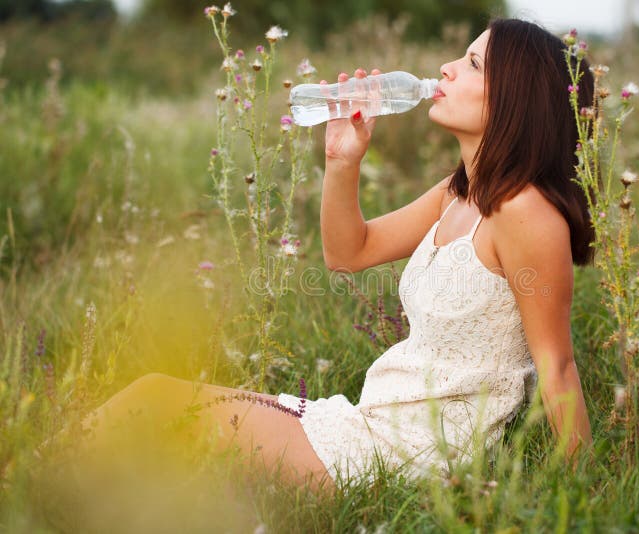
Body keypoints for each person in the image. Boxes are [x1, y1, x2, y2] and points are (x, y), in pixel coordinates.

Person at [71, 17, 595, 496]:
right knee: (158, 397)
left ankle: (23, 487)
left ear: (518, 99)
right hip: (372, 420)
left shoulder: (525, 213)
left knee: (162, 407)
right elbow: (349, 253)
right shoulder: (457, 194)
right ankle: (33, 487)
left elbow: (557, 367)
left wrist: (583, 497)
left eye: (474, 64)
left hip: (420, 453)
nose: (447, 68)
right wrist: (342, 159)